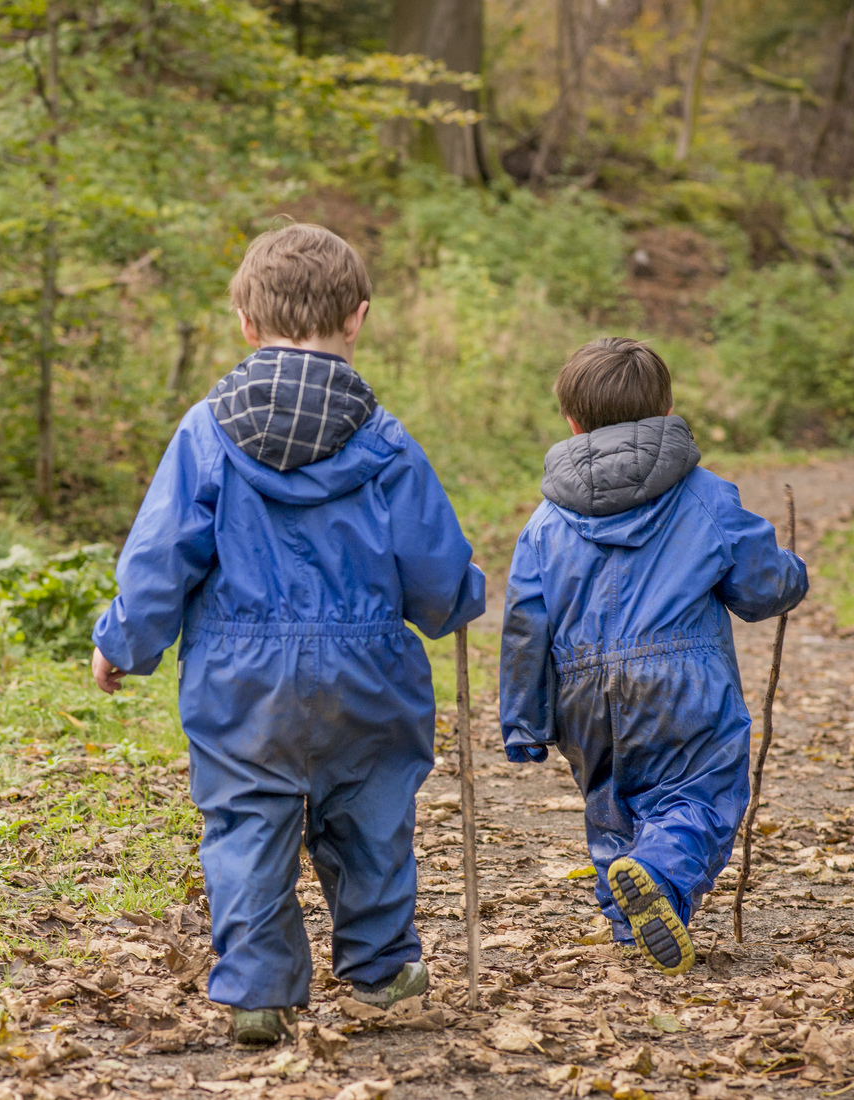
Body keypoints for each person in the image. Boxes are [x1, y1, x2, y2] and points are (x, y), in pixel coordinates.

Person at [91, 223, 484, 1044]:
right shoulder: (385, 439)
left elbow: (163, 553)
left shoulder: (207, 432)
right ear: (358, 319)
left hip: (243, 676)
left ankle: (258, 992)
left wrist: (124, 641)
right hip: (366, 671)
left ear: (244, 321)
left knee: (246, 821)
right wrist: (455, 605)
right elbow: (436, 571)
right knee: (371, 816)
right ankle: (379, 968)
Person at [498, 337, 807, 975]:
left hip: (584, 694)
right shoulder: (704, 496)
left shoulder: (544, 522)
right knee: (701, 793)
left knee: (613, 804)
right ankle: (659, 875)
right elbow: (760, 589)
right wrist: (792, 573)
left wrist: (523, 720)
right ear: (666, 412)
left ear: (572, 422)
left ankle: (632, 921)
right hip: (682, 682)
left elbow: (526, 624)